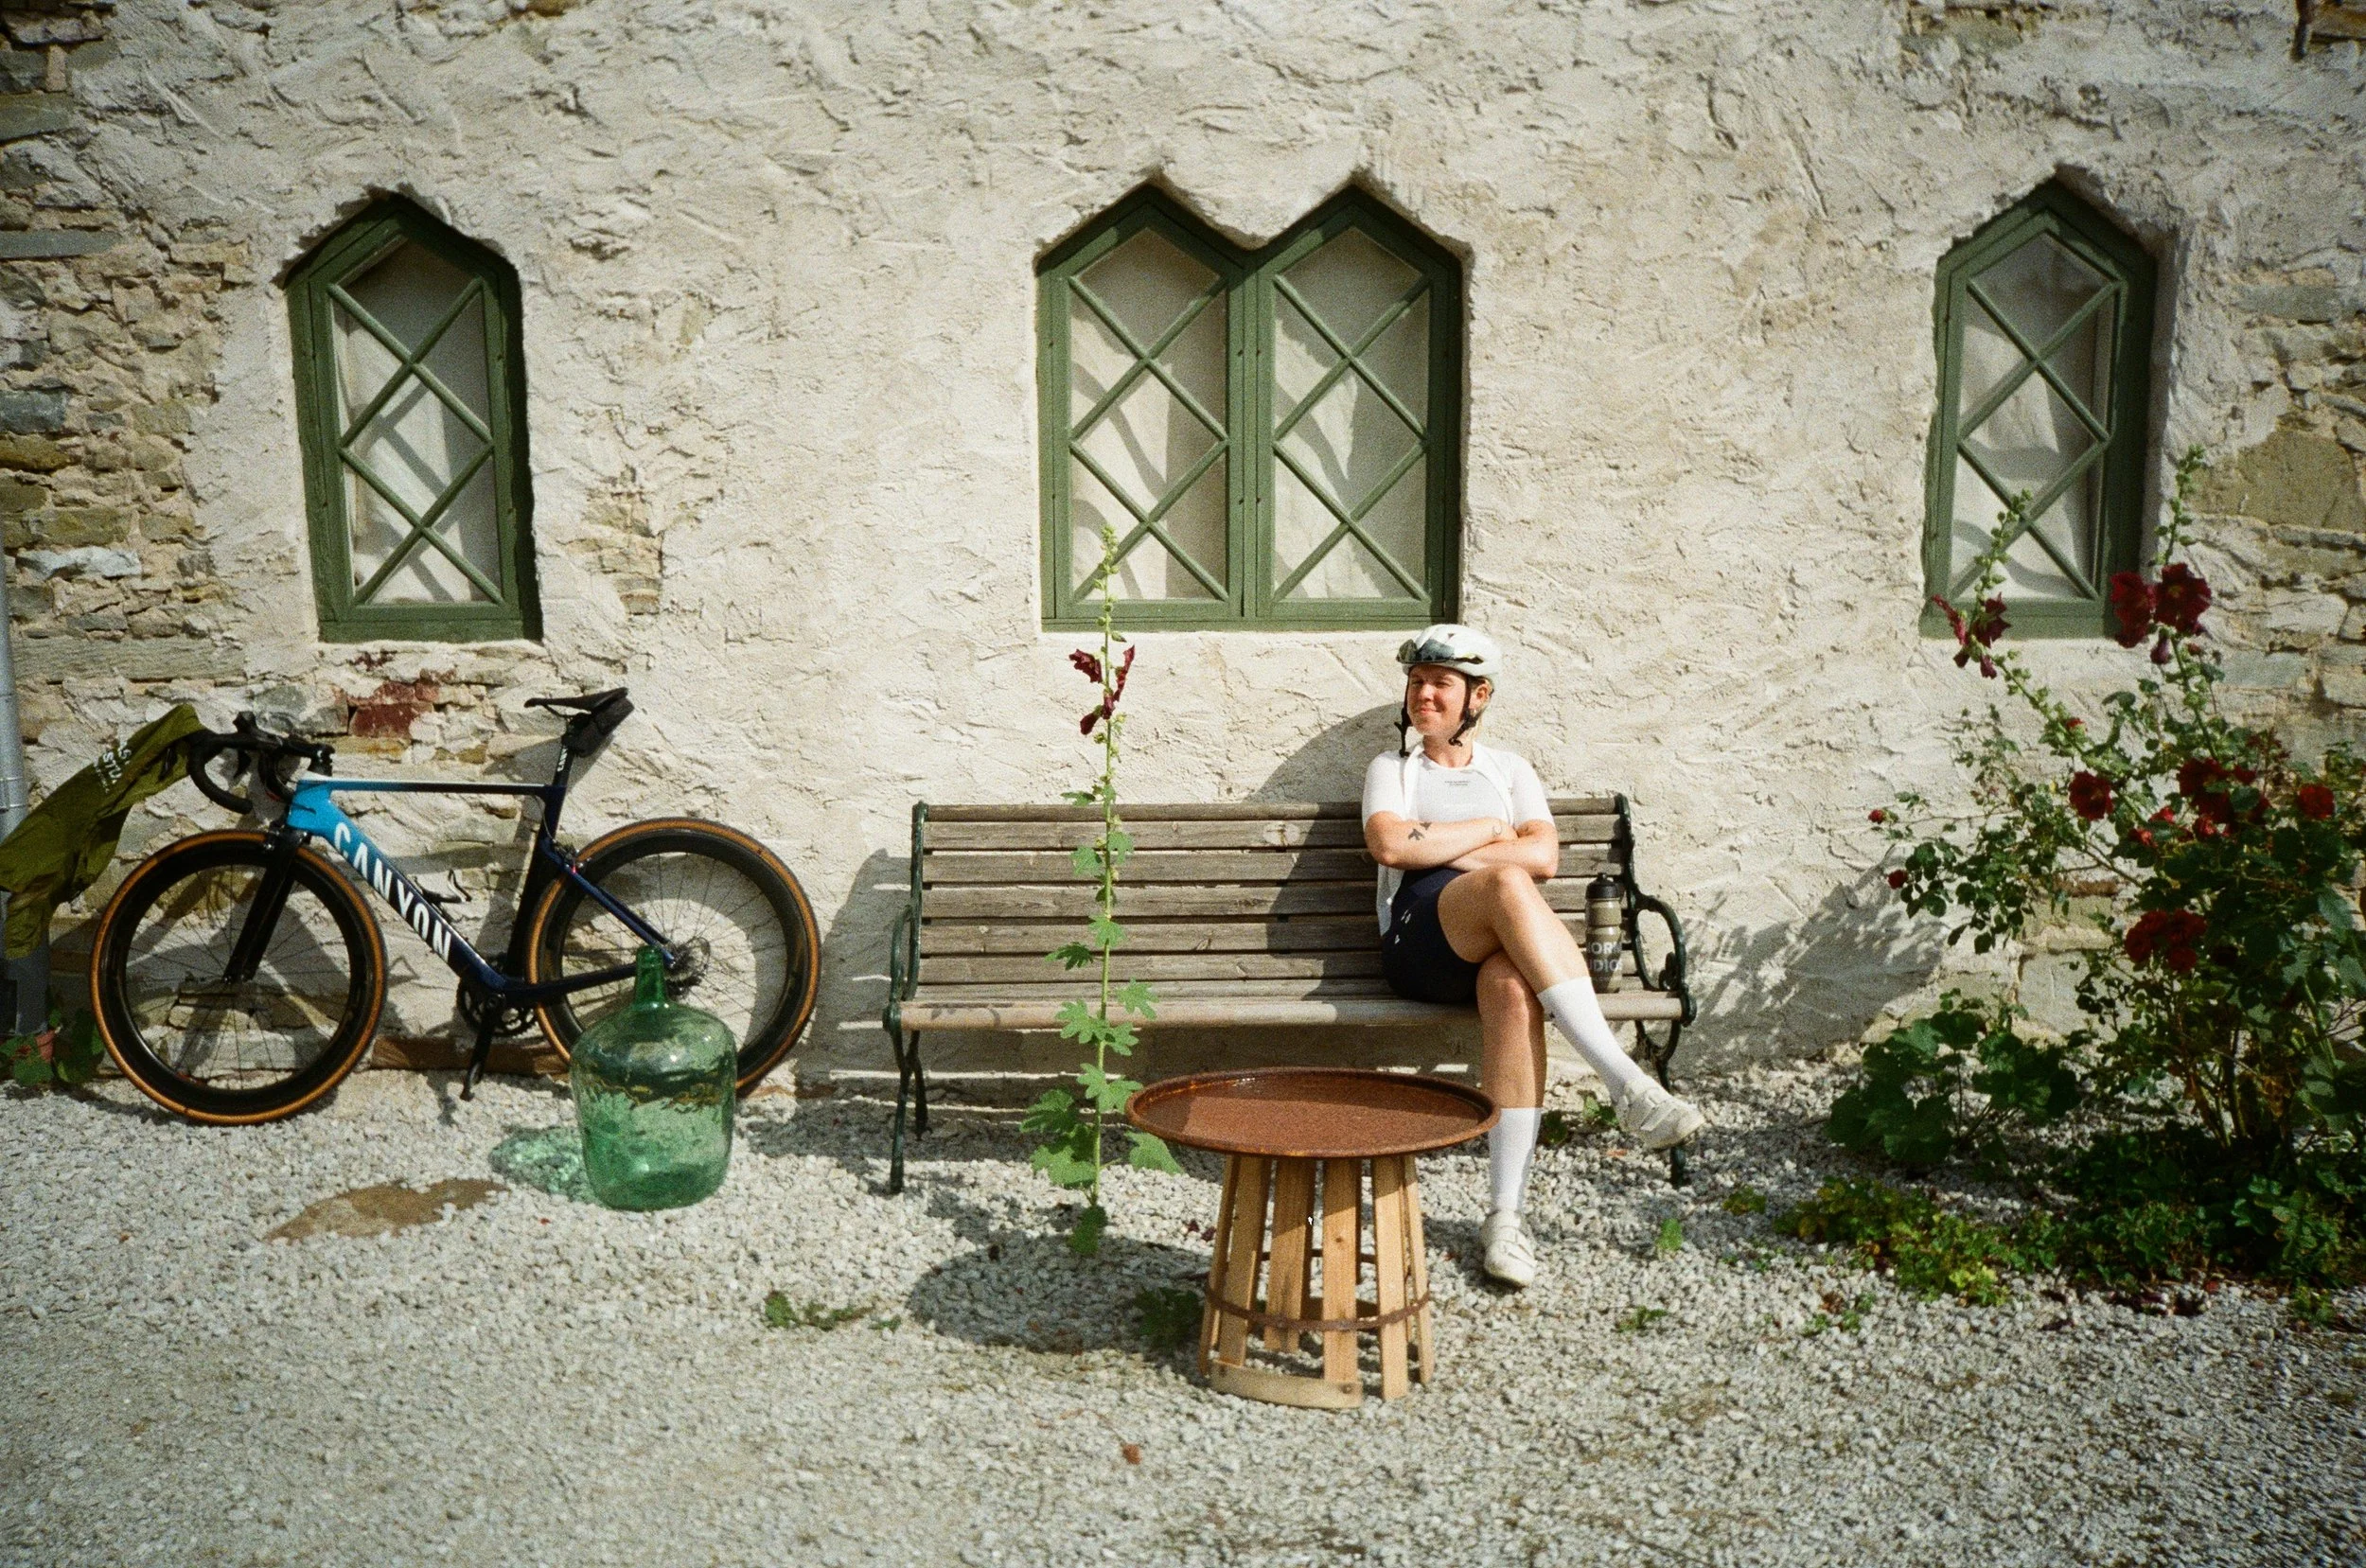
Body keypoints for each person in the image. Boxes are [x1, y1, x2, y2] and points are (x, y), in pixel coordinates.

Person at [1361, 625, 1704, 1288]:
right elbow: (1392, 847)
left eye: (1441, 684)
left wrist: (1446, 845)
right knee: (1504, 881)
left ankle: (1505, 1218)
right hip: (1417, 944)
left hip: (1493, 937)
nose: (1424, 694)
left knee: (1515, 989)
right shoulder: (1392, 769)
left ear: (1477, 696)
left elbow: (1543, 857)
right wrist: (1492, 834)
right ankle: (1625, 1080)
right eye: (1417, 682)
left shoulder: (1510, 770)